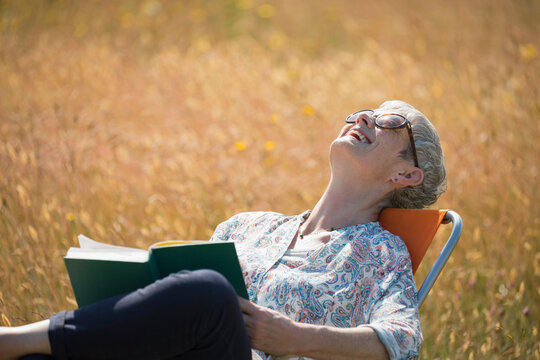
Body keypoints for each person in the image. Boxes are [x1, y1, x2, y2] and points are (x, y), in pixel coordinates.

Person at [0, 100, 446, 360]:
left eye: (390, 123)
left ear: (406, 175)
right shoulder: (247, 225)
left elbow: (403, 340)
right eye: (364, 111)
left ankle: (13, 340)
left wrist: (293, 337)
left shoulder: (382, 253)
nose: (365, 118)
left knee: (212, 295)